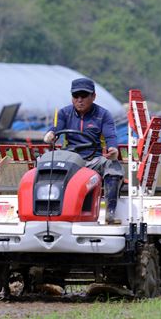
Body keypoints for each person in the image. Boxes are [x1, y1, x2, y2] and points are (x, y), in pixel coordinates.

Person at [43, 77, 124, 224]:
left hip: (94, 159)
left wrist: (113, 150)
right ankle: (47, 209)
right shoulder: (64, 113)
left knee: (113, 166)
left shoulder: (103, 115)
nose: (79, 100)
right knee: (45, 163)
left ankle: (110, 212)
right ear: (72, 97)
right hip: (70, 160)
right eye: (76, 96)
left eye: (84, 96)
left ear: (93, 96)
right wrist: (51, 134)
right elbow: (56, 128)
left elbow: (111, 136)